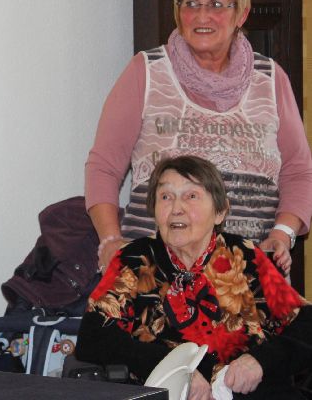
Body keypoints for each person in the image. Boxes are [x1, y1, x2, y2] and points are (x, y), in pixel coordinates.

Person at [85, 0, 312, 272]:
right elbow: (103, 166)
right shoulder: (145, 72)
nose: (202, 16)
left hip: (249, 279)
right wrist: (109, 240)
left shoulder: (271, 79)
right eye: (191, 3)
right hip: (156, 277)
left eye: (216, 4)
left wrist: (283, 233)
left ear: (241, 14)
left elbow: (299, 171)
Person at [76, 155, 312, 400]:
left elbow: (305, 324)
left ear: (220, 212)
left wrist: (260, 361)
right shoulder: (135, 260)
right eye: (165, 197)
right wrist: (175, 368)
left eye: (191, 196)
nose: (176, 208)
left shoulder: (245, 256)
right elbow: (93, 338)